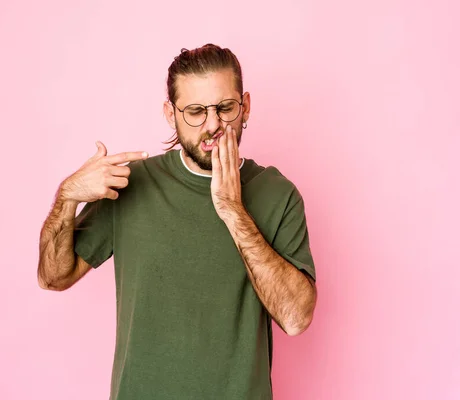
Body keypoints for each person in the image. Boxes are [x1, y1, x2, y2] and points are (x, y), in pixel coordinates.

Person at [37, 43, 317, 400]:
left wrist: (233, 209)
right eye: (196, 112)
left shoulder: (277, 194)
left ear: (245, 106)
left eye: (225, 108)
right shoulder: (131, 184)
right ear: (171, 114)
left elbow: (295, 319)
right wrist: (67, 198)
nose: (213, 124)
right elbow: (53, 277)